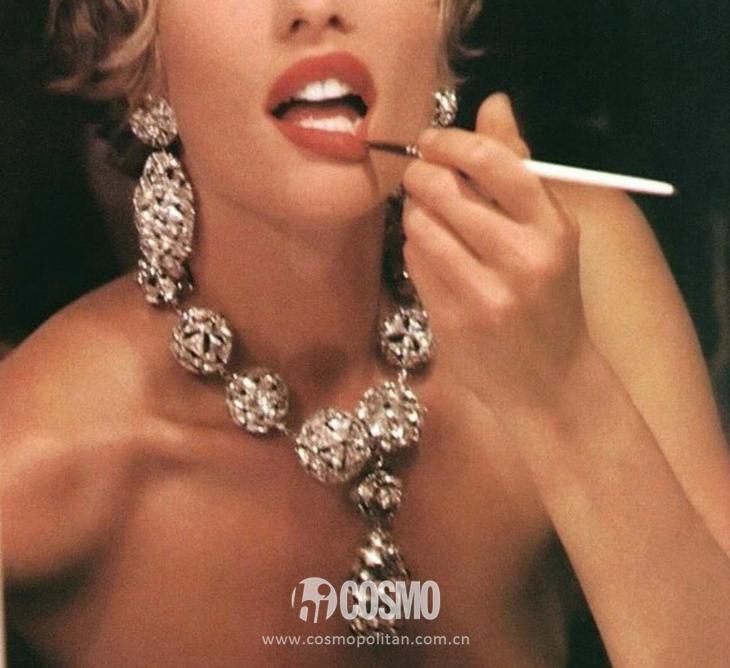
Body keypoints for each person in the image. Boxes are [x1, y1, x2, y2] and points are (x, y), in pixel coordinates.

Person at [2, 1, 730, 666]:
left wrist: (566, 394)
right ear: (142, 64)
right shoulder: (35, 463)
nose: (315, 9)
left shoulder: (575, 271)